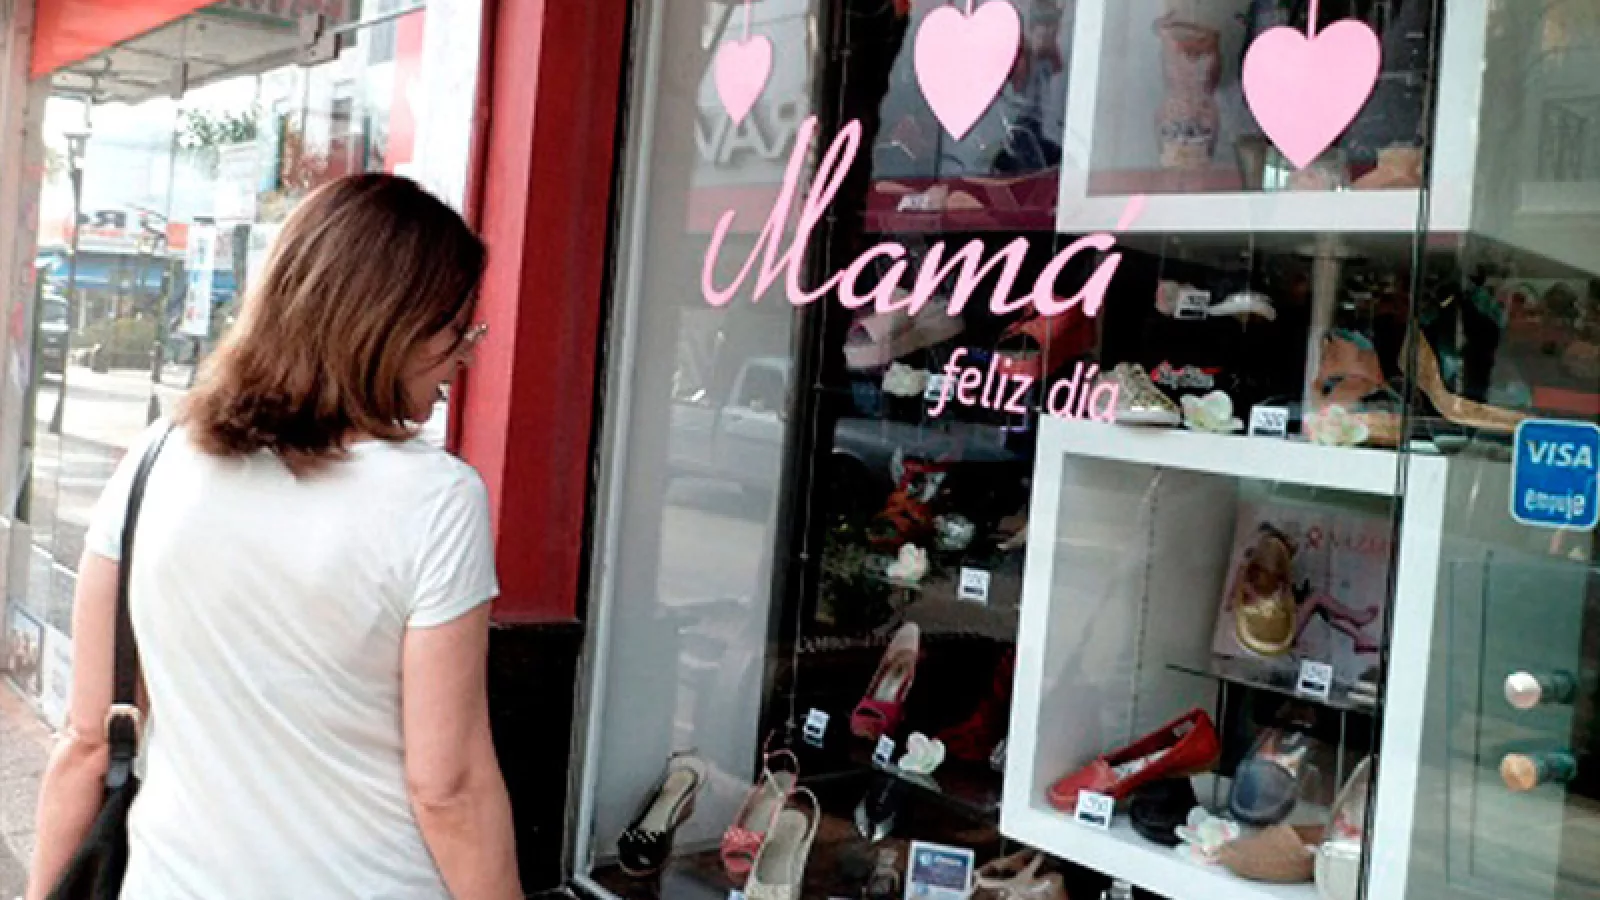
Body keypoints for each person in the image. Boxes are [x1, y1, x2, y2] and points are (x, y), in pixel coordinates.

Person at [26, 174, 521, 900]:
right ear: (389, 328)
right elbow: (449, 790)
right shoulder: (437, 501)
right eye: (458, 332)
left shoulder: (155, 459)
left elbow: (87, 741)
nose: (465, 357)